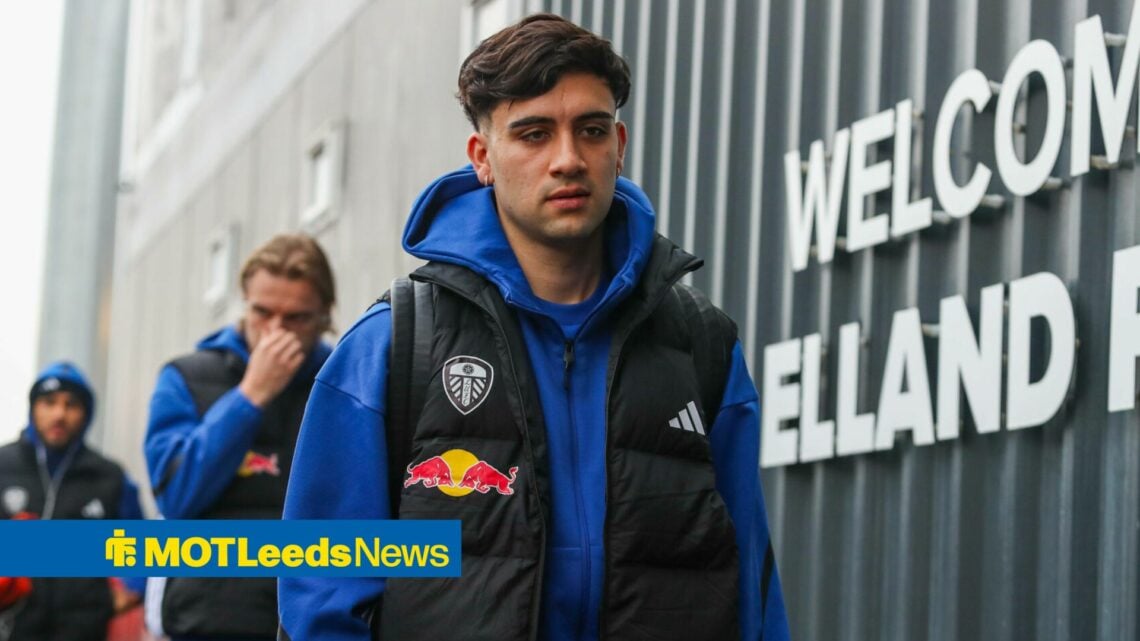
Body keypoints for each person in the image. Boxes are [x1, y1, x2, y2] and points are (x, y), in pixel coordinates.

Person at [279, 13, 790, 641]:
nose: (568, 159)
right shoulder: (393, 346)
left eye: (591, 130)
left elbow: (753, 595)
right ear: (483, 157)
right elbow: (324, 594)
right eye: (534, 134)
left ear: (619, 146)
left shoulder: (702, 346)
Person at [143, 233, 335, 640]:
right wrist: (250, 396)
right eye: (262, 312)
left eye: (295, 318)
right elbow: (175, 495)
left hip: (311, 619)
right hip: (208, 621)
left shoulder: (345, 381)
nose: (273, 331)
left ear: (324, 316)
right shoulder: (186, 377)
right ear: (244, 303)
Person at [0, 361, 144, 641]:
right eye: (49, 402)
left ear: (86, 414)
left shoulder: (109, 476)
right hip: (13, 625)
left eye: (71, 405)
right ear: (33, 408)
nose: (59, 414)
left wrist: (132, 589)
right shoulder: (3, 465)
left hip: (84, 628)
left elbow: (141, 544)